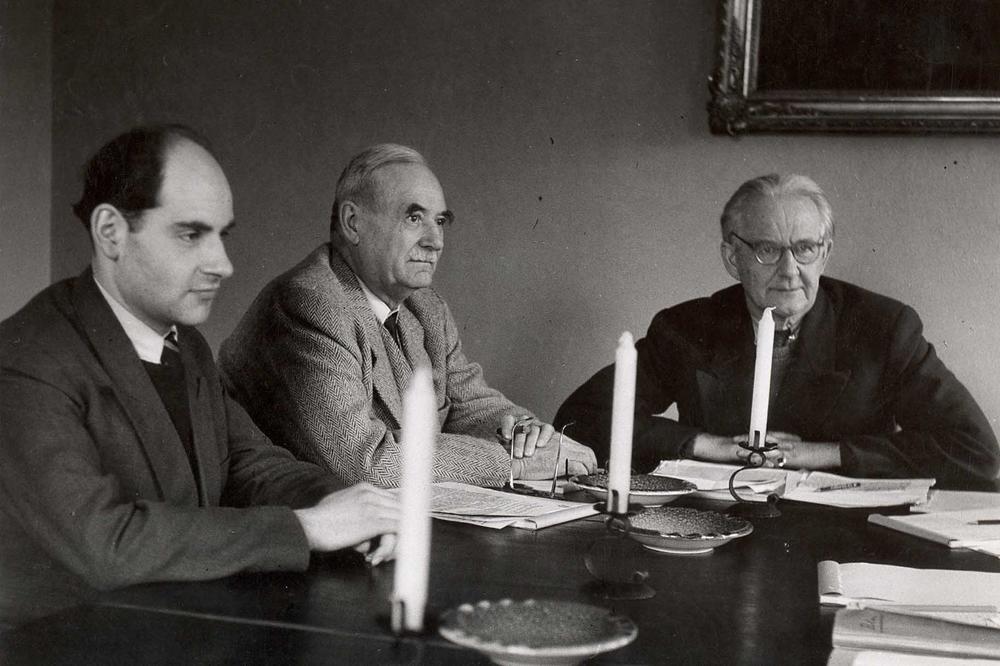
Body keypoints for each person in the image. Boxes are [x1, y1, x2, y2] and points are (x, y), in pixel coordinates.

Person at [0, 125, 398, 627]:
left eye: (221, 235)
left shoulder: (184, 343)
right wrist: (307, 528)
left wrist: (341, 502)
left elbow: (252, 464)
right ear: (110, 233)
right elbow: (107, 544)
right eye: (191, 234)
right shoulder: (28, 359)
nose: (223, 264)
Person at [555, 174, 999, 490]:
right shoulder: (687, 329)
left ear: (824, 254)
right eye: (768, 250)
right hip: (721, 524)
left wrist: (823, 453)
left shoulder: (883, 328)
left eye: (805, 248)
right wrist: (708, 446)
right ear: (733, 257)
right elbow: (579, 419)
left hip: (846, 534)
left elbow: (976, 452)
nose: (790, 271)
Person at [220, 144, 596, 487]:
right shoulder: (309, 304)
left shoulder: (426, 308)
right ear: (353, 223)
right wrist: (511, 463)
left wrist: (527, 436)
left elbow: (472, 405)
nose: (436, 241)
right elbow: (364, 464)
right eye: (414, 218)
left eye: (441, 221)